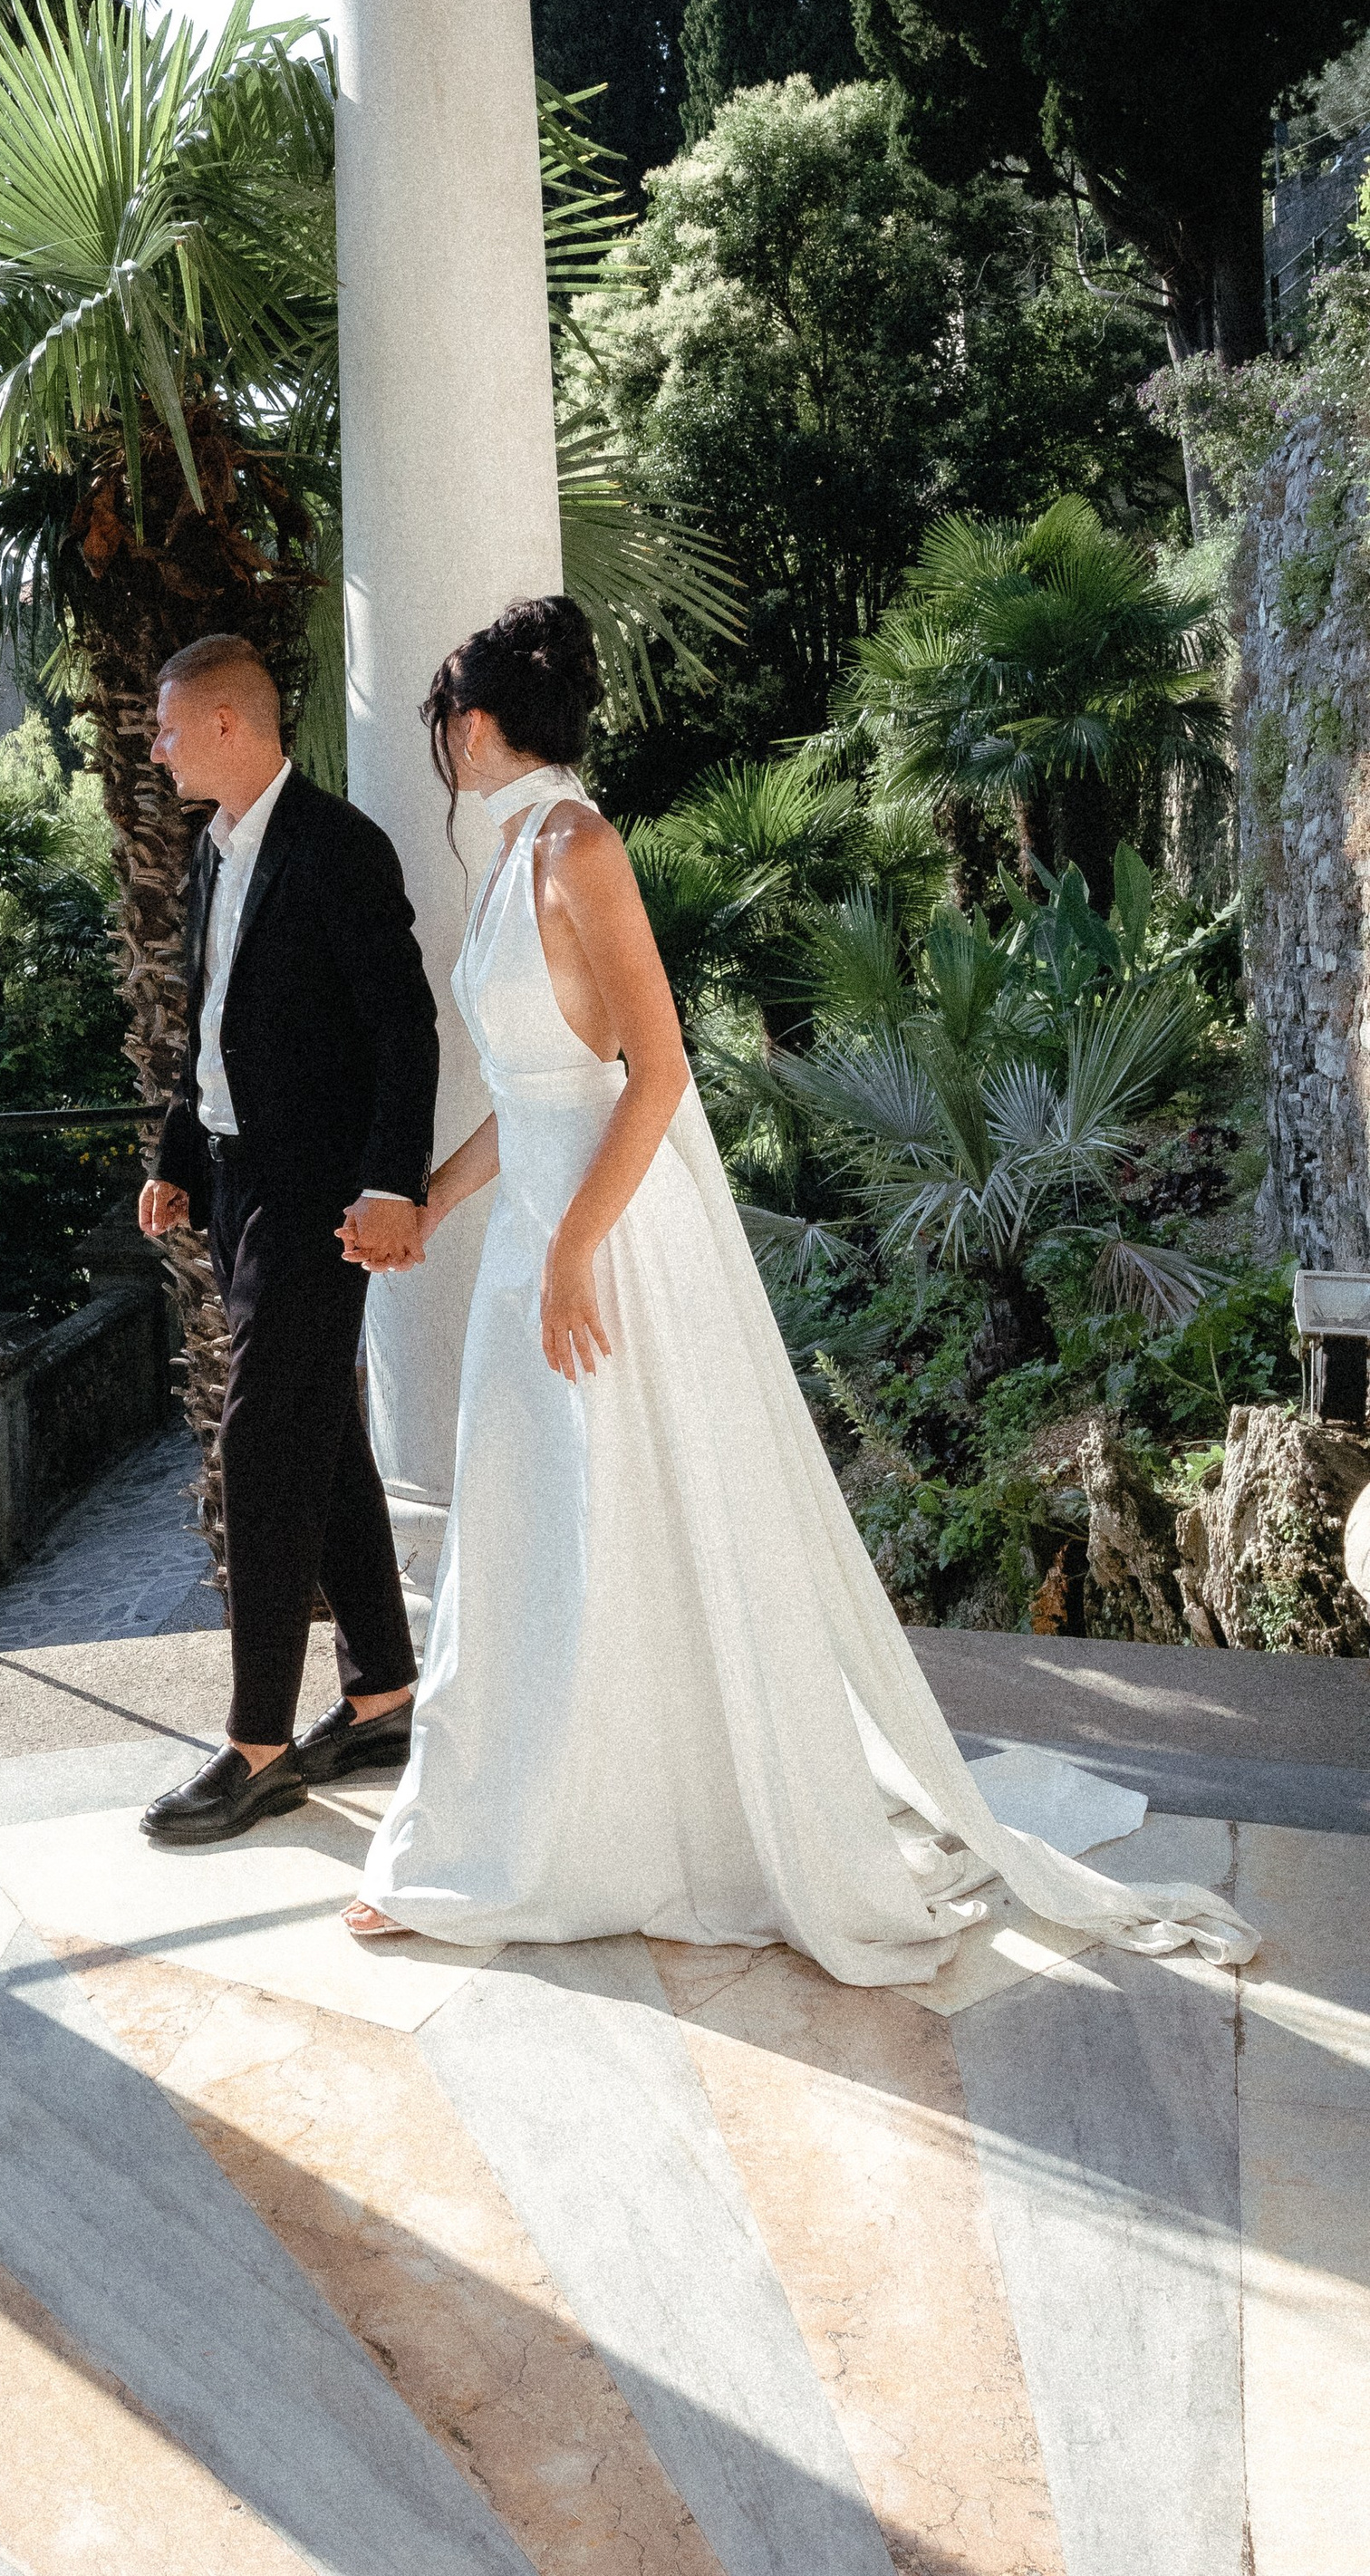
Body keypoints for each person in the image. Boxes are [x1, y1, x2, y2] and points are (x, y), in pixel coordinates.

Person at [342, 593, 1256, 1983]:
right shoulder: (510, 859)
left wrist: (575, 1250)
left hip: (608, 1243)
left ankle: (601, 1840)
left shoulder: (581, 848)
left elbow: (657, 1073)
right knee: (529, 1532)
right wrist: (429, 1201)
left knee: (620, 1526)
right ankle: (505, 1838)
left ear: (472, 728)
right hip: (536, 1233)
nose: (442, 751)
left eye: (440, 729)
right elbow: (533, 1093)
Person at [136, 633, 441, 1844]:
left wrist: (391, 1184)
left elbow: (404, 1029)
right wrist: (180, 1155)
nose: (156, 749)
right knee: (318, 1425)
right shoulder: (213, 851)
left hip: (319, 1199)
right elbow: (213, 1021)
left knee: (264, 1433)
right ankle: (383, 1697)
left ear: (227, 724)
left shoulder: (337, 847)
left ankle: (258, 1748)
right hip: (234, 1180)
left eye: (167, 728)